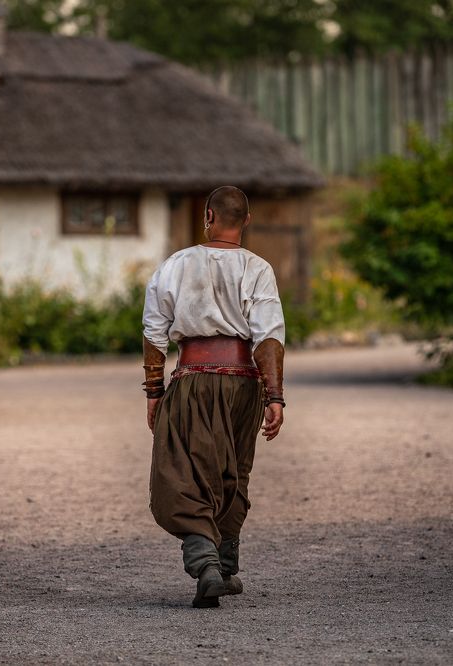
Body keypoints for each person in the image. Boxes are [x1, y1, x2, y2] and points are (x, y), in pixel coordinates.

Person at [141, 185, 286, 608]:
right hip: (245, 384)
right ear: (246, 220)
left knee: (182, 469)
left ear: (207, 216)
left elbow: (154, 333)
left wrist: (154, 392)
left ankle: (207, 566)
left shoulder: (176, 264)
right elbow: (269, 335)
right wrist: (275, 396)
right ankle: (222, 567)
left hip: (193, 380)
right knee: (231, 468)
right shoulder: (259, 269)